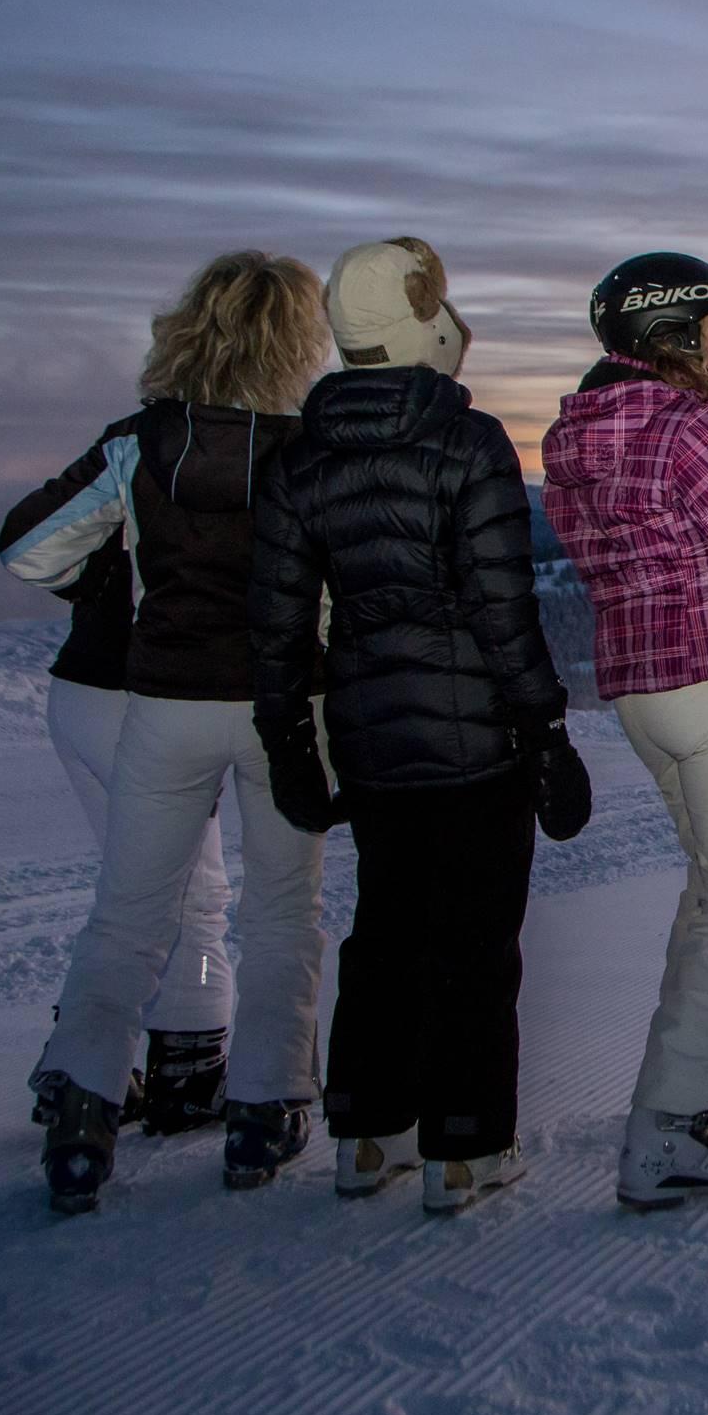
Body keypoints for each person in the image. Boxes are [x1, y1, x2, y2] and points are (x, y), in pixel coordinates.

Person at [251, 236, 590, 1218]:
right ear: (418, 325)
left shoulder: (299, 458)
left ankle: (367, 1132)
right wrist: (545, 731)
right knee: (477, 942)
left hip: (368, 737)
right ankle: (464, 1149)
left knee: (385, 930)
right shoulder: (466, 442)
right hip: (474, 740)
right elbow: (501, 607)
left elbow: (276, 622)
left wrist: (288, 744)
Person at [1, 250, 335, 1212]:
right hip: (283, 712)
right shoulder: (315, 449)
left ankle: (82, 1116)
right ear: (296, 341)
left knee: (130, 915)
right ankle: (265, 1110)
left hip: (163, 705)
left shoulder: (140, 443)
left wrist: (112, 580)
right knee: (282, 916)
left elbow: (28, 549)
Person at [542, 253, 708, 1211]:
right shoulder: (687, 427)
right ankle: (674, 1120)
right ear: (671, 336)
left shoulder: (579, 434)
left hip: (642, 691)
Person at [2, 527, 235, 1135]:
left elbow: (38, 545)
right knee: (193, 894)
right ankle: (189, 1071)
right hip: (147, 705)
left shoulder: (131, 457)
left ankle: (78, 1065)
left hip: (78, 688)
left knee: (130, 896)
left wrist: (96, 589)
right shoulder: (227, 471)